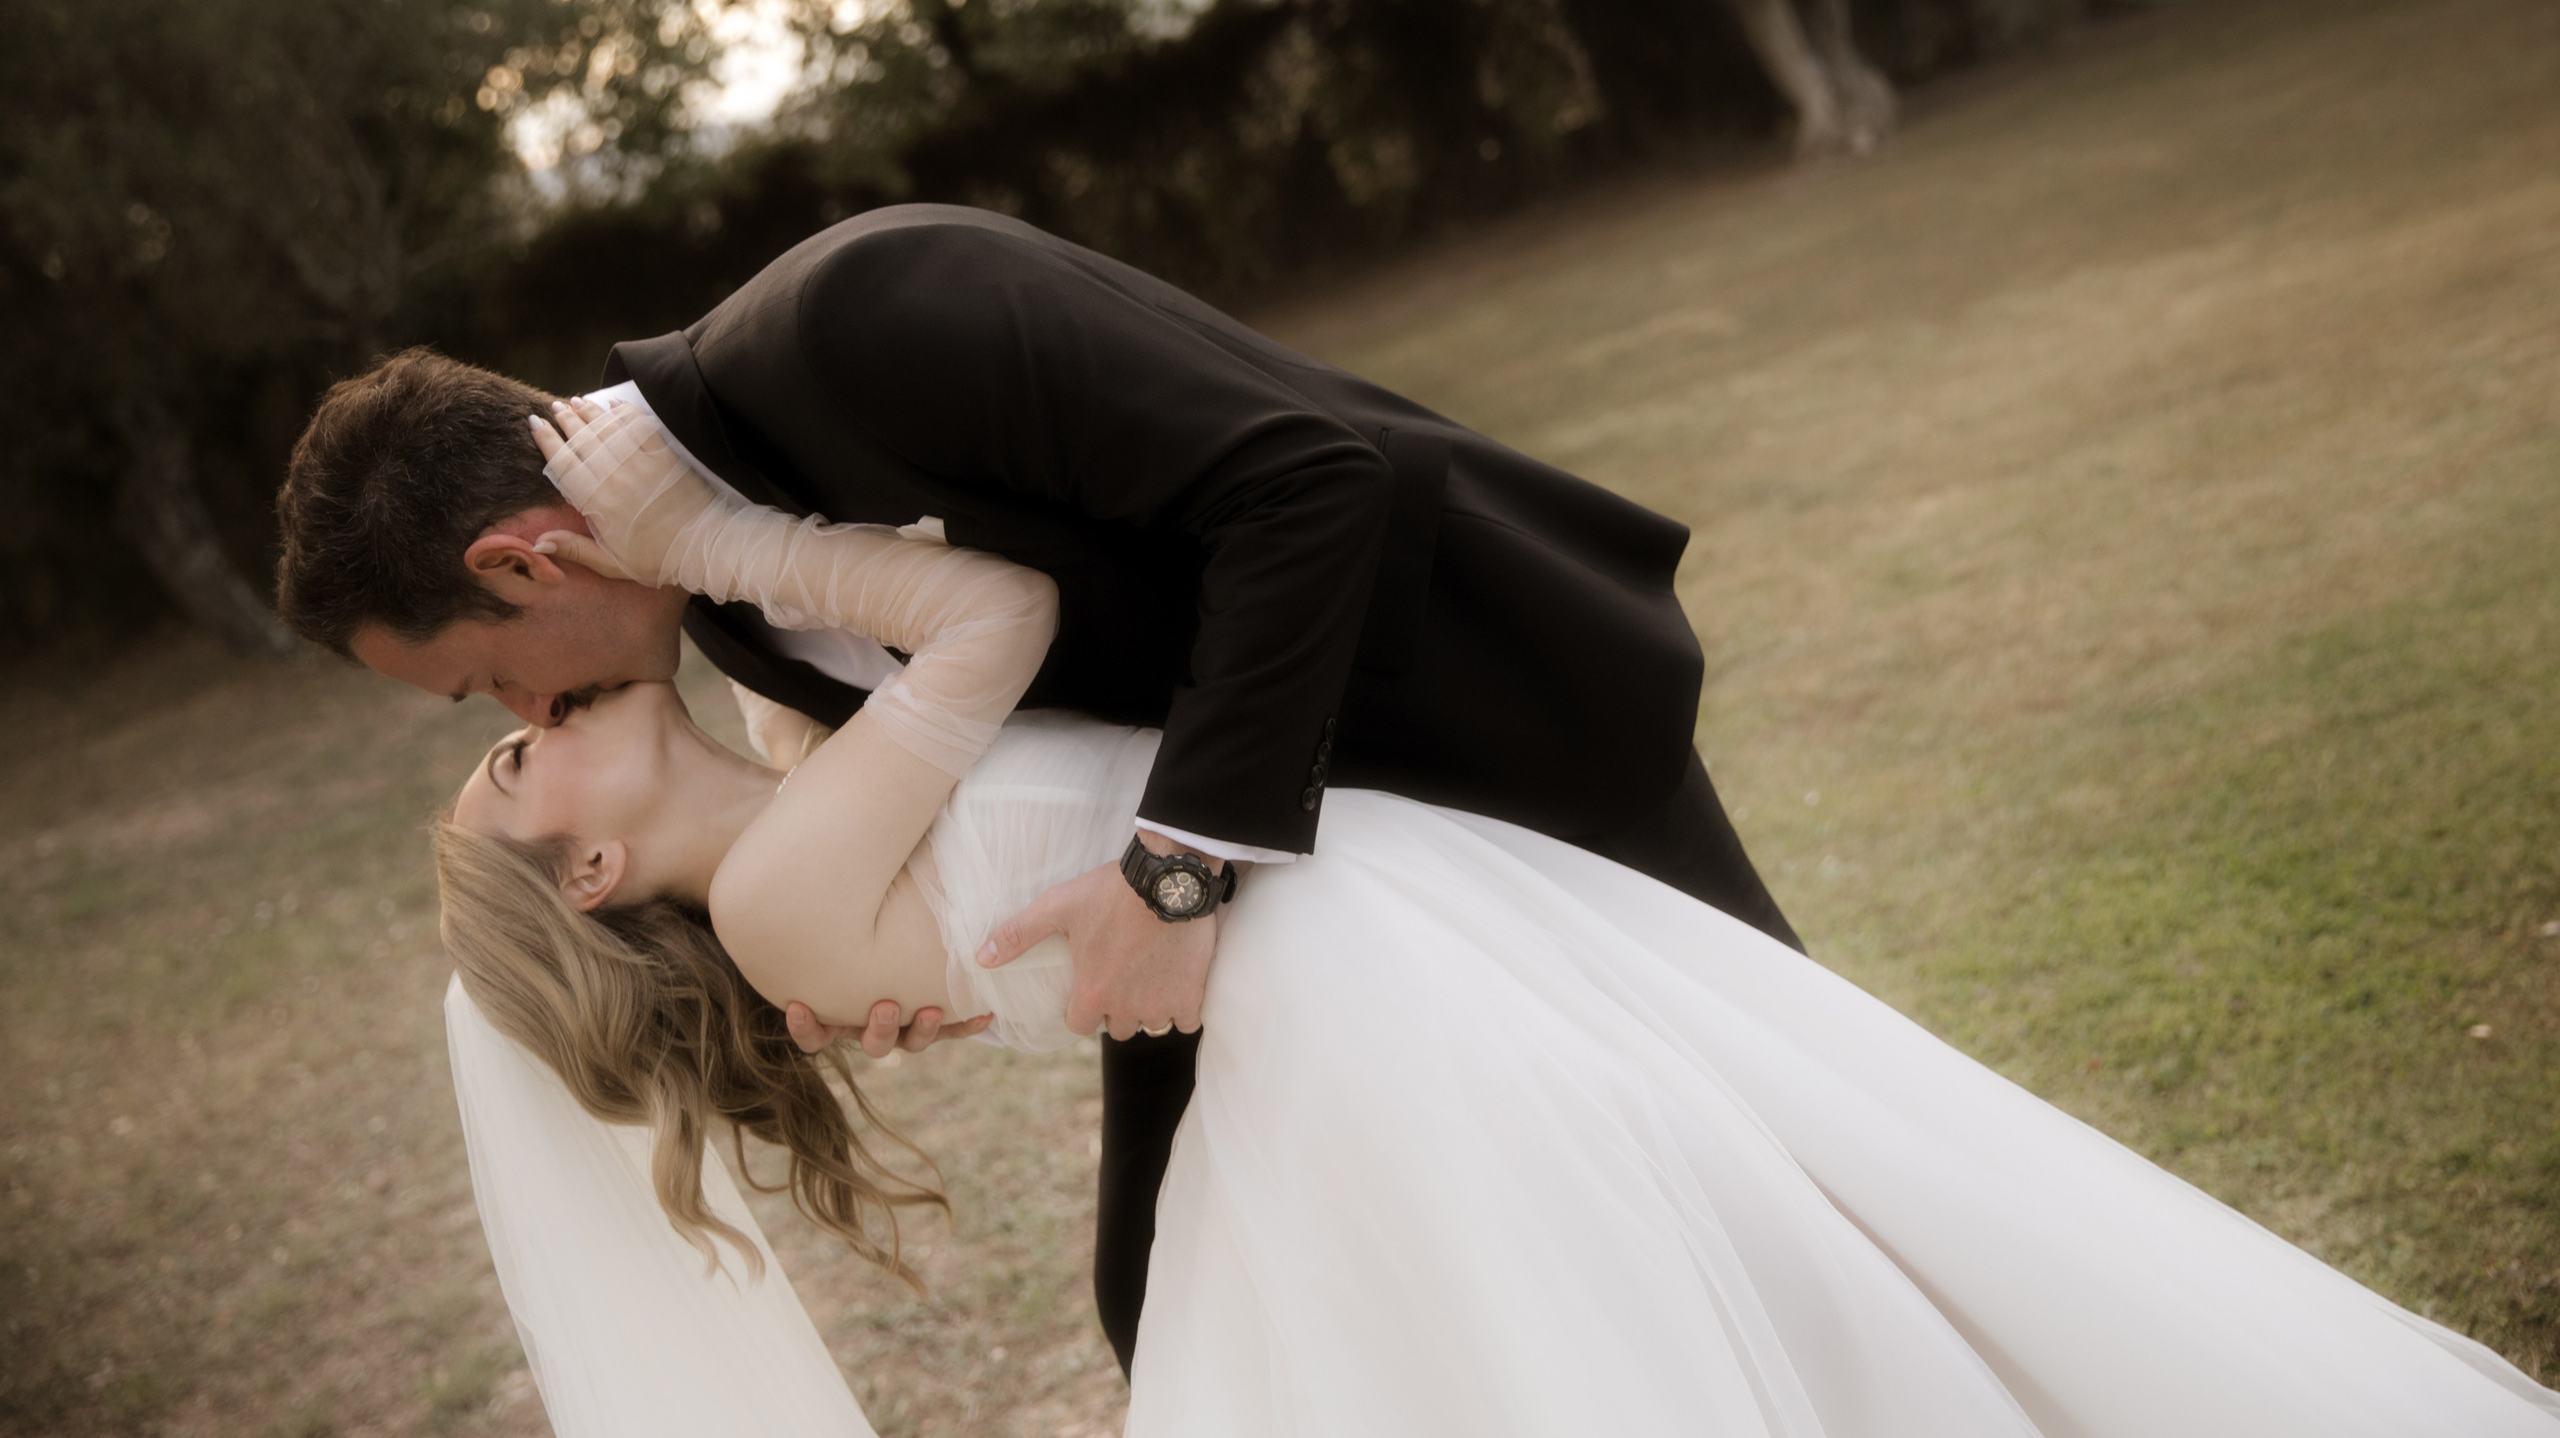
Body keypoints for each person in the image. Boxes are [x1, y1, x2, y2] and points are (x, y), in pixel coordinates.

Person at [434, 396, 2560, 1438]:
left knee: (1698, 1242)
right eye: (514, 761)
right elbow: (996, 611)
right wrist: (720, 532)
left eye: (501, 722)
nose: (527, 715)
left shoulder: (799, 815)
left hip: (1352, 916)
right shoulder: (793, 877)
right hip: (1347, 950)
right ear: (598, 876)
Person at [274, 204, 1797, 1368]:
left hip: (1480, 722)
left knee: (1771, 1162)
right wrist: (872, 952)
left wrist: (1175, 876)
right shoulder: (714, 607)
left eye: (492, 688)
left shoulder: (864, 317)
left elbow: (1313, 482)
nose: (534, 711)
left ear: (516, 563)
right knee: (1177, 1304)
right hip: (1282, 895)